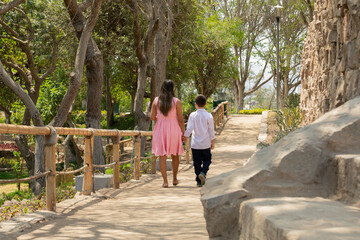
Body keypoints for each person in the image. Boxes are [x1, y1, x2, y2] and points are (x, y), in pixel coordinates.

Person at [150, 80, 185, 188]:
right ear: (172, 89)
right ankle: (174, 179)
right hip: (174, 129)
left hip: (160, 129)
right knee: (175, 155)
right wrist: (183, 132)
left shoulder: (156, 100)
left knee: (162, 156)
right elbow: (180, 119)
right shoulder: (176, 101)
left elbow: (152, 117)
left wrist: (160, 119)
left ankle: (165, 181)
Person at [184, 94, 215, 187]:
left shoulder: (193, 115)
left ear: (195, 104)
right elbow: (211, 130)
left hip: (195, 144)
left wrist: (185, 137)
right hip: (205, 143)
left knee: (196, 162)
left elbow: (189, 128)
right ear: (205, 104)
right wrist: (212, 142)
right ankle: (203, 172)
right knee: (207, 159)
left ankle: (198, 180)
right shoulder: (208, 115)